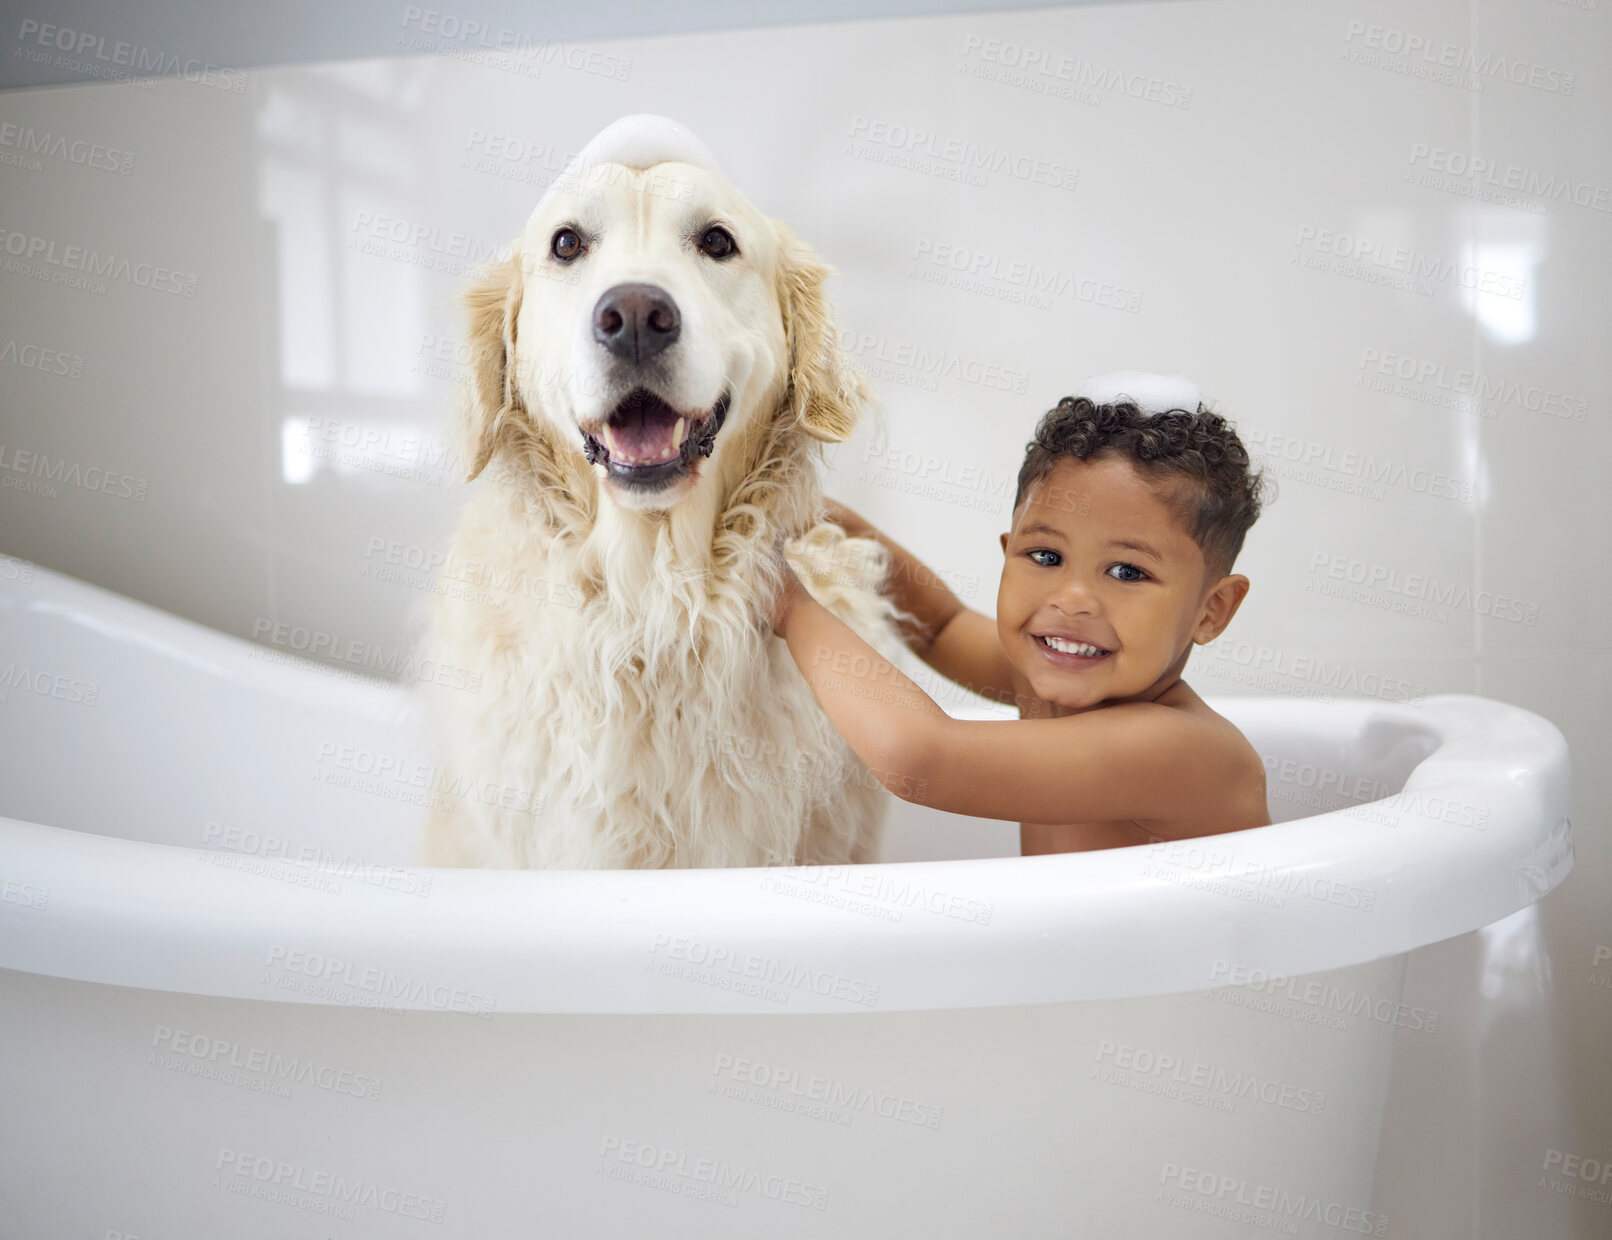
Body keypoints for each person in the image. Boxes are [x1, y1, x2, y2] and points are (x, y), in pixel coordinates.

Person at [770, 374, 1274, 853]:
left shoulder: (1184, 751)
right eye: (1047, 557)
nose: (1073, 598)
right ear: (1008, 552)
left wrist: (790, 605)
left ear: (1212, 611)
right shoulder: (1041, 679)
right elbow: (940, 626)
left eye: (1126, 572)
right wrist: (829, 520)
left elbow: (920, 758)